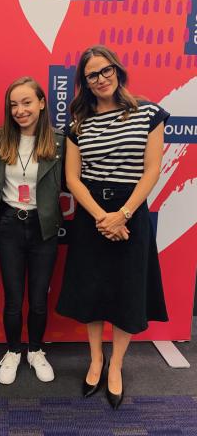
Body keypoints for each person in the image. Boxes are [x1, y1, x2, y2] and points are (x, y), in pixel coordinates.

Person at [56, 45, 168, 409]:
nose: (100, 79)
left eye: (106, 71)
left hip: (131, 210)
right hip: (91, 215)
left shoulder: (147, 112)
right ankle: (96, 360)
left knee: (125, 292)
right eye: (92, 75)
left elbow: (152, 168)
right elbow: (72, 178)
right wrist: (102, 217)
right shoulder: (78, 123)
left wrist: (123, 214)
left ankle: (116, 365)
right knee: (92, 290)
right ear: (84, 83)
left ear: (118, 71)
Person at [0, 76, 65, 385]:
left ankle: (35, 350)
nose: (20, 110)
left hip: (43, 227)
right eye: (13, 105)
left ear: (42, 102)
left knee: (37, 298)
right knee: (12, 297)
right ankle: (13, 351)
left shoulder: (59, 141)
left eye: (27, 102)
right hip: (8, 224)